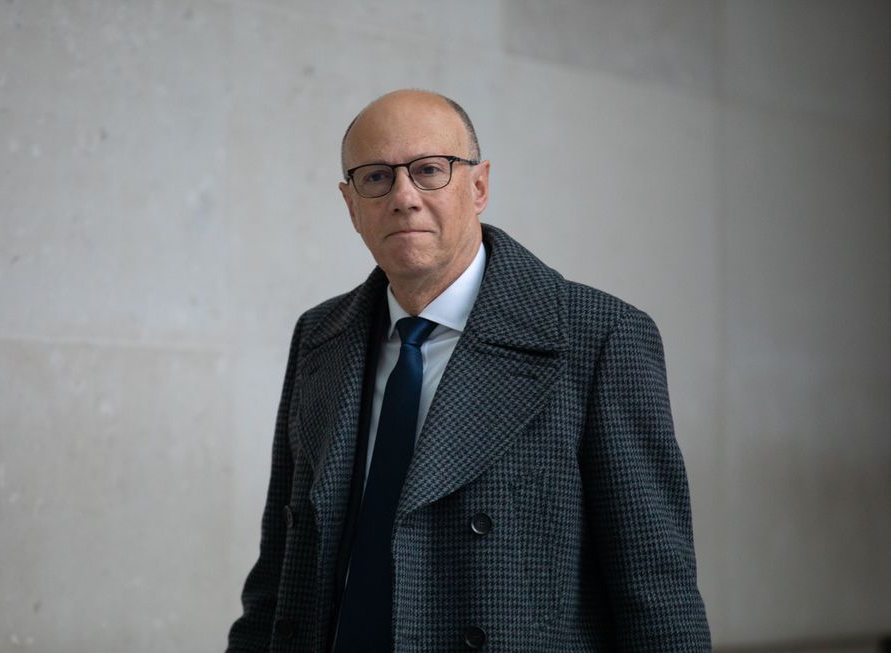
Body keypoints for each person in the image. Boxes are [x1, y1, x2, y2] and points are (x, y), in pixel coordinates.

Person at [226, 89, 711, 652]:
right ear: (350, 204)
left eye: (430, 170)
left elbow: (658, 593)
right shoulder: (319, 336)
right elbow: (278, 574)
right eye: (377, 177)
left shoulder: (599, 337)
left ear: (479, 187)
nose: (403, 197)